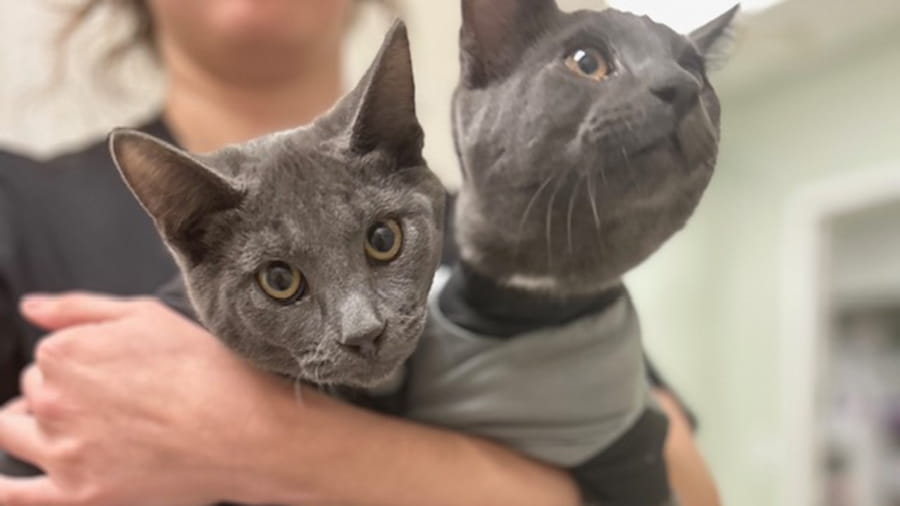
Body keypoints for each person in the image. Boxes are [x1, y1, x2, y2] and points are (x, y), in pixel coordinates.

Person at [0, 1, 720, 504]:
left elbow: (682, 487)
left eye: (382, 241)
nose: (363, 325)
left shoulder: (493, 223)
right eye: (281, 279)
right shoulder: (18, 206)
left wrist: (271, 446)